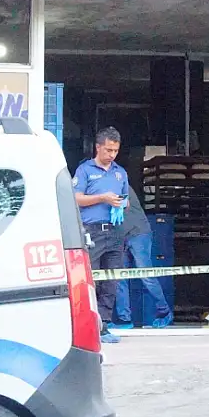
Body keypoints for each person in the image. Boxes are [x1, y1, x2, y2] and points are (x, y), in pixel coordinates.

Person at [73, 127, 130, 344]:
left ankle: (104, 325)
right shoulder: (85, 170)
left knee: (111, 281)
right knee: (92, 280)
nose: (112, 155)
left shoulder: (120, 172)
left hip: (115, 231)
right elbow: (76, 198)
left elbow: (128, 202)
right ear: (98, 147)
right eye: (108, 150)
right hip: (93, 232)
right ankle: (89, 325)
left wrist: (120, 203)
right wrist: (102, 198)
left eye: (115, 150)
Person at [113, 186, 174, 329]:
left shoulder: (119, 181)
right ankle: (124, 319)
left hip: (138, 233)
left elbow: (121, 205)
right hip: (120, 235)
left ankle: (164, 311)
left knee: (145, 274)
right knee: (119, 277)